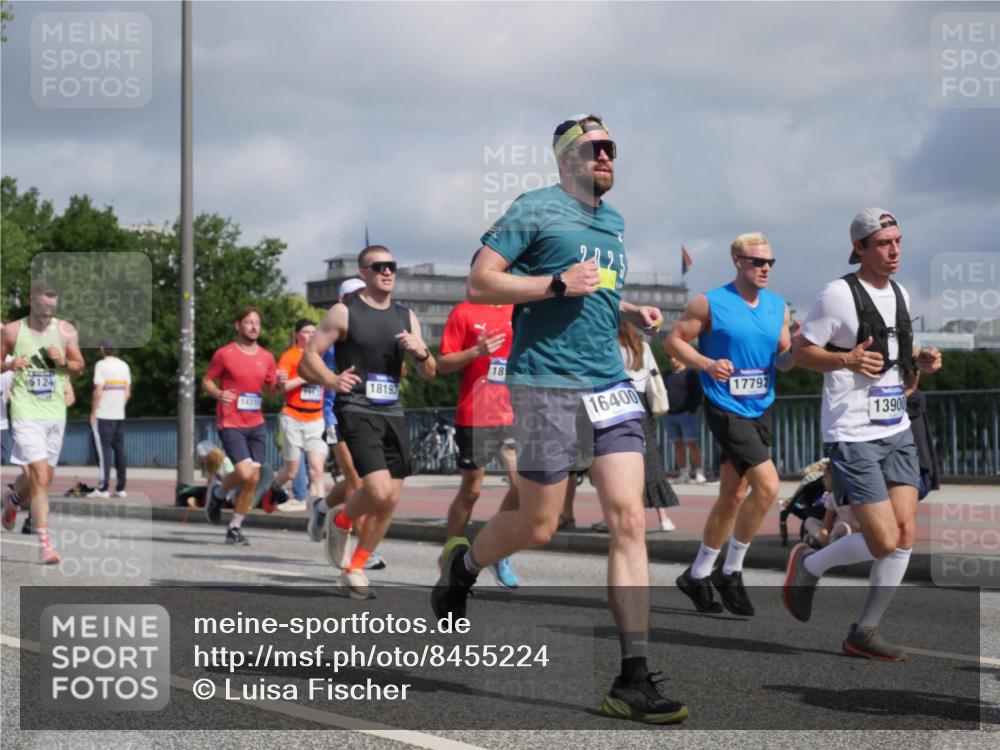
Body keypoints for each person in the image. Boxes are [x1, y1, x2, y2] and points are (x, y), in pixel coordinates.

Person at [434, 114, 687, 724]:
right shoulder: (535, 208)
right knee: (540, 525)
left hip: (608, 383)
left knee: (629, 520)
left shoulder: (613, 221)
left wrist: (629, 309)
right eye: (596, 147)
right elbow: (480, 282)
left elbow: (592, 289)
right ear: (566, 158)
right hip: (546, 385)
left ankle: (632, 678)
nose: (608, 156)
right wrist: (552, 284)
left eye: (612, 148)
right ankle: (462, 568)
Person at [784, 208, 942, 661]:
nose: (894, 251)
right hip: (852, 431)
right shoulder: (837, 295)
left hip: (896, 425)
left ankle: (864, 632)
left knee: (906, 534)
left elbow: (898, 348)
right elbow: (801, 352)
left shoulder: (901, 293)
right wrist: (846, 361)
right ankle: (809, 563)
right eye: (883, 243)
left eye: (898, 241)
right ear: (859, 248)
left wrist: (922, 359)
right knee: (883, 541)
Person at [665, 232, 794, 617]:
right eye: (758, 262)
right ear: (738, 261)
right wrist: (706, 364)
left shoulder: (778, 307)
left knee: (732, 496)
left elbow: (784, 358)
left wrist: (802, 349)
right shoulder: (710, 302)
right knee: (768, 487)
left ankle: (698, 573)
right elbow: (674, 342)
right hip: (725, 406)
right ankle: (732, 570)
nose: (765, 268)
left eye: (770, 262)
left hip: (761, 406)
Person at [299, 245, 436, 599]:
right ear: (363, 273)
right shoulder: (344, 312)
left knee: (390, 500)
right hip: (356, 408)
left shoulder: (407, 316)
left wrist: (420, 351)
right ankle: (341, 521)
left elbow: (429, 372)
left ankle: (355, 565)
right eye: (378, 267)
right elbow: (307, 360)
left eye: (391, 265)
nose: (387, 272)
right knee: (376, 490)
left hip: (393, 410)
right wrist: (331, 380)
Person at [438, 296, 520, 587]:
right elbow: (444, 363)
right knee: (471, 491)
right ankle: (450, 555)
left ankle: (497, 548)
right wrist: (476, 351)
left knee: (522, 485)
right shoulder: (464, 311)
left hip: (513, 412)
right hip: (475, 413)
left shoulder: (518, 307)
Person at [1, 277, 85, 564]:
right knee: (38, 475)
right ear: (32, 300)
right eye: (43, 302)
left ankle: (12, 500)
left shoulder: (65, 331)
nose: (48, 308)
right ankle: (45, 543)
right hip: (25, 412)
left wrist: (62, 361)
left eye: (53, 302)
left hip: (54, 414)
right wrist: (10, 364)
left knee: (44, 478)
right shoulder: (13, 331)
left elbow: (79, 366)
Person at [306, 277, 386, 572]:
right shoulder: (332, 331)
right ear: (342, 301)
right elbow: (309, 362)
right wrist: (330, 378)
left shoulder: (373, 331)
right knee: (357, 481)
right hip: (335, 415)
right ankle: (364, 548)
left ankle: (322, 507)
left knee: (361, 482)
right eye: (354, 297)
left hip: (369, 415)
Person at [201, 307, 285, 545]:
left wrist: (280, 384)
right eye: (249, 322)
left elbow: (273, 391)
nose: (254, 326)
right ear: (238, 325)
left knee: (252, 479)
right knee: (246, 473)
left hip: (256, 423)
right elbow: (206, 380)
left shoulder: (267, 357)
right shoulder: (225, 354)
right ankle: (218, 494)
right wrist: (218, 393)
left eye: (257, 322)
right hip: (231, 421)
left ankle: (234, 527)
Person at [619, 321, 678, 532]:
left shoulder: (610, 346)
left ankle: (619, 516)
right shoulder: (644, 347)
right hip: (643, 402)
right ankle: (664, 518)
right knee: (650, 454)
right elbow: (653, 373)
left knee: (619, 458)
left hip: (618, 401)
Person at [272, 319, 327, 513]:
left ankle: (320, 508)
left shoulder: (321, 355)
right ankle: (273, 488)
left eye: (314, 331)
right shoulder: (289, 356)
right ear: (296, 335)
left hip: (317, 418)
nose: (312, 335)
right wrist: (304, 378)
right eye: (306, 332)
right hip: (293, 417)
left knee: (317, 469)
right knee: (291, 470)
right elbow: (280, 389)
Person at [87, 340, 131, 498]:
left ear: (102, 349)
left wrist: (93, 412)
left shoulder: (101, 365)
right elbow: (127, 392)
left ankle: (103, 486)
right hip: (119, 414)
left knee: (103, 450)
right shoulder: (124, 366)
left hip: (103, 414)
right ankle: (120, 487)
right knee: (119, 450)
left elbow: (98, 391)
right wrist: (119, 406)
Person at [663, 356, 706, 484]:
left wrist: (691, 409)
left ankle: (699, 472)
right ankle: (683, 473)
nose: (673, 360)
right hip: (670, 415)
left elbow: (698, 393)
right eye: (671, 358)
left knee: (691, 443)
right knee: (677, 445)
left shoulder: (691, 373)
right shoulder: (666, 375)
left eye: (675, 357)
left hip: (687, 414)